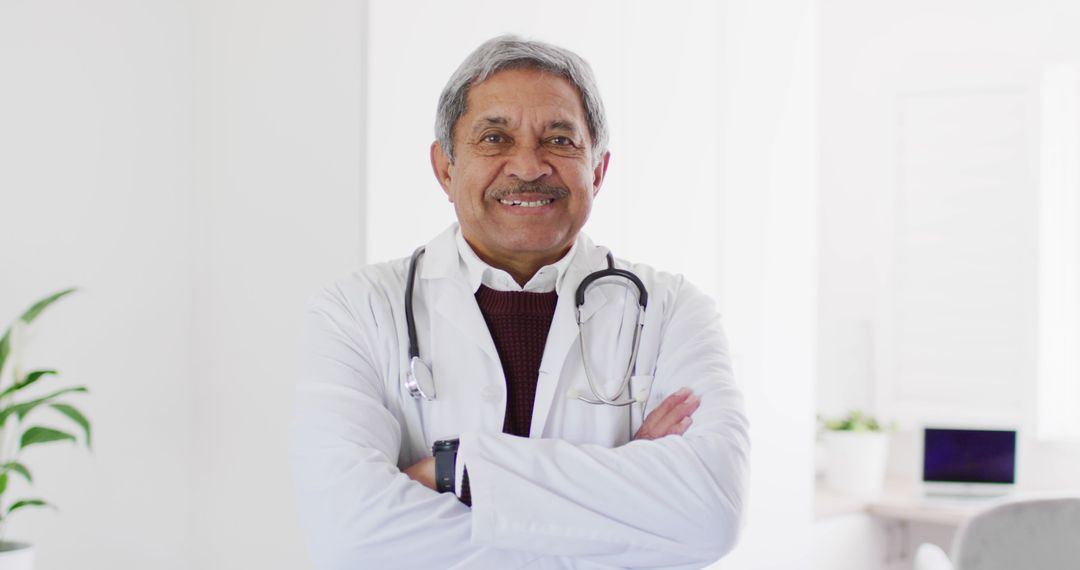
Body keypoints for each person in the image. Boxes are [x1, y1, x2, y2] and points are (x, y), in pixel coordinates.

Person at [290, 35, 750, 570]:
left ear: (597, 171)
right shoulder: (354, 311)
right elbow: (350, 537)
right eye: (494, 138)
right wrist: (622, 495)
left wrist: (454, 468)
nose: (528, 167)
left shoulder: (674, 312)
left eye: (559, 140)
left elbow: (711, 516)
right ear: (445, 168)